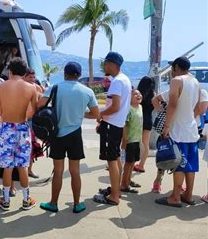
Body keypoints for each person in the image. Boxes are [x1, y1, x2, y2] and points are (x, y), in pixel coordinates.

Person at [37, 62, 100, 213]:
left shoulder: (55, 87)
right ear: (78, 75)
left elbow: (40, 104)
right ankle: (77, 204)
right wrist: (81, 114)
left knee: (58, 171)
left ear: (65, 73)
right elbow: (96, 114)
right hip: (75, 135)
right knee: (75, 171)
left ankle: (53, 203)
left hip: (57, 134)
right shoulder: (87, 91)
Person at [155, 57, 200, 207]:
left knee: (179, 164)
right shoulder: (196, 82)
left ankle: (175, 197)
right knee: (190, 165)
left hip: (178, 130)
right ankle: (188, 195)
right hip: (192, 129)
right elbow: (197, 107)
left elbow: (173, 104)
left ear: (176, 67)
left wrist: (166, 127)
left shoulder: (177, 81)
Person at [0, 57, 38, 211]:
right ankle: (26, 200)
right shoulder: (31, 88)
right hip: (23, 129)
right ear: (24, 72)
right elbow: (34, 110)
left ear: (10, 71)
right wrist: (24, 117)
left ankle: (5, 201)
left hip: (6, 128)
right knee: (23, 166)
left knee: (7, 166)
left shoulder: (1, 87)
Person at [93, 52, 131, 206]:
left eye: (106, 63)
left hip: (111, 124)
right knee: (115, 158)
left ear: (113, 64)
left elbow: (115, 106)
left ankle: (114, 195)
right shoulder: (126, 80)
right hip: (118, 124)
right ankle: (117, 189)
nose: (104, 66)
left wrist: (100, 114)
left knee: (112, 160)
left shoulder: (117, 82)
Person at [120, 89, 143, 194]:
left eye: (139, 94)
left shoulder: (140, 107)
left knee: (133, 162)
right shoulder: (128, 109)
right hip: (129, 140)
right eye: (135, 94)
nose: (138, 95)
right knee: (128, 163)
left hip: (137, 139)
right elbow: (124, 125)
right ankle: (123, 184)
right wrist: (124, 139)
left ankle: (128, 180)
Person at [24, 68, 44, 179]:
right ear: (24, 77)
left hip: (33, 121)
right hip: (21, 120)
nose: (32, 79)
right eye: (29, 77)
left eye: (33, 77)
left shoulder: (37, 87)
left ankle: (30, 170)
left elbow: (42, 103)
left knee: (32, 147)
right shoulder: (20, 88)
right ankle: (19, 171)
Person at [134, 76, 155, 172]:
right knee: (145, 144)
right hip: (148, 121)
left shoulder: (138, 94)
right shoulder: (153, 95)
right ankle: (141, 165)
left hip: (137, 119)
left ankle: (130, 163)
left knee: (133, 142)